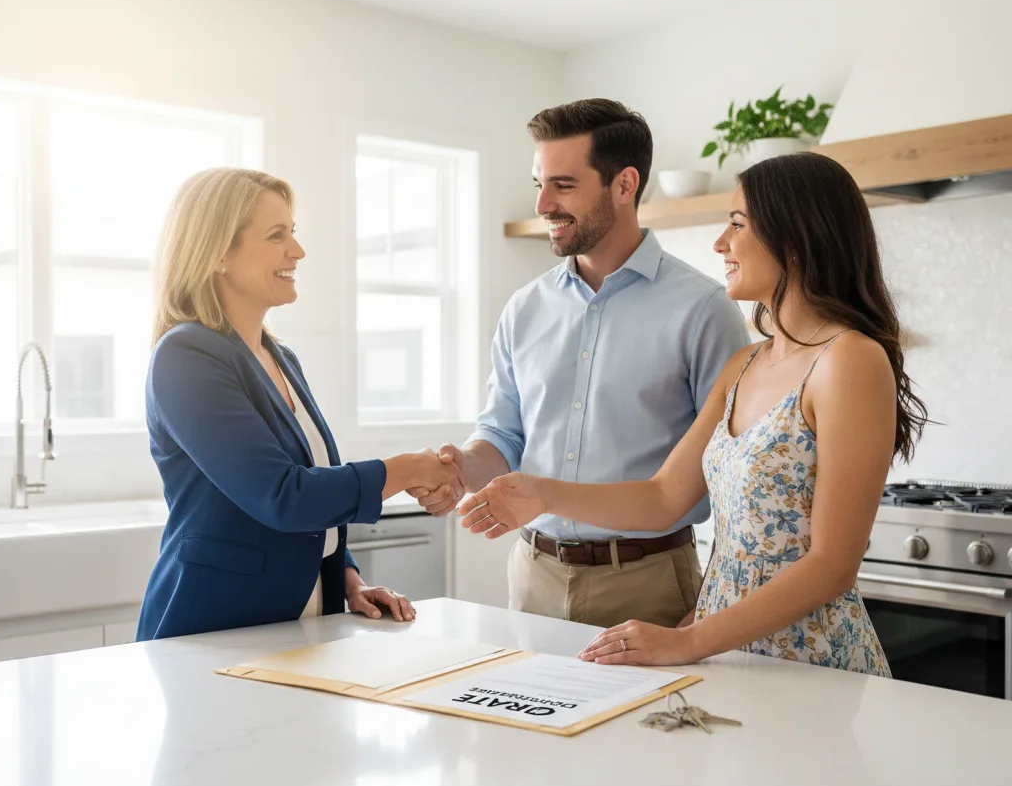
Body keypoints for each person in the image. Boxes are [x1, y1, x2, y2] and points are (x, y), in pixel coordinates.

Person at [457, 151, 928, 675]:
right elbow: (664, 497)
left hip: (808, 658)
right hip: (726, 646)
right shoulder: (746, 363)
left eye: (736, 224)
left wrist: (691, 641)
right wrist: (542, 494)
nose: (720, 243)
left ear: (796, 237)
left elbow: (833, 565)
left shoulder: (849, 360)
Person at [416, 99, 749, 630]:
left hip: (652, 581)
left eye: (564, 185)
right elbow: (503, 435)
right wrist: (457, 468)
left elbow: (734, 478)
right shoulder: (524, 308)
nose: (544, 203)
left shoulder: (704, 311)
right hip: (533, 573)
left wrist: (714, 599)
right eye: (538, 184)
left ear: (624, 185)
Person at [137, 168, 463, 641]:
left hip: (301, 626)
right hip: (211, 632)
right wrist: (409, 469)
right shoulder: (186, 356)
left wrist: (346, 578)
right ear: (217, 253)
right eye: (277, 235)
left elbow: (308, 494)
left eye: (294, 232)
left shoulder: (279, 356)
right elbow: (282, 496)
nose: (298, 250)